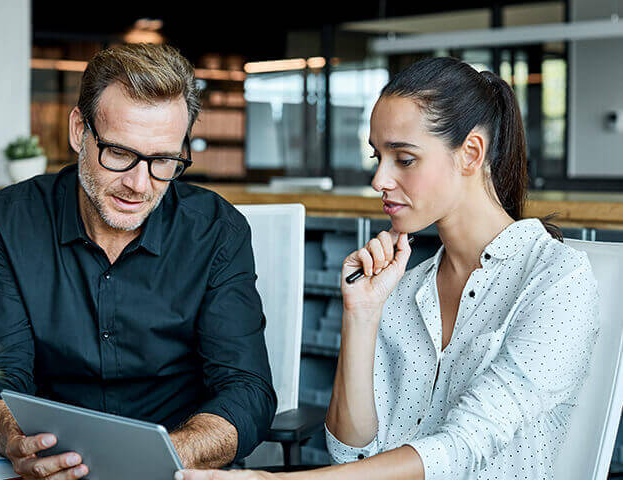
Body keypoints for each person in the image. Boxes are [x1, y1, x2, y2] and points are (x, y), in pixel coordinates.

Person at [179, 57, 600, 480]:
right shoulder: (404, 286)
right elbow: (350, 453)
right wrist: (361, 315)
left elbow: (463, 448)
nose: (379, 178)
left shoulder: (558, 281)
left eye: (404, 159)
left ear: (470, 153)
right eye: (377, 156)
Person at [0, 43, 276, 480]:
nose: (138, 184)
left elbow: (247, 392)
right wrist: (19, 443)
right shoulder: (11, 220)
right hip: (54, 470)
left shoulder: (217, 232)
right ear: (79, 130)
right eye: (119, 153)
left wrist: (165, 456)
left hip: (177, 470)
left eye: (163, 160)